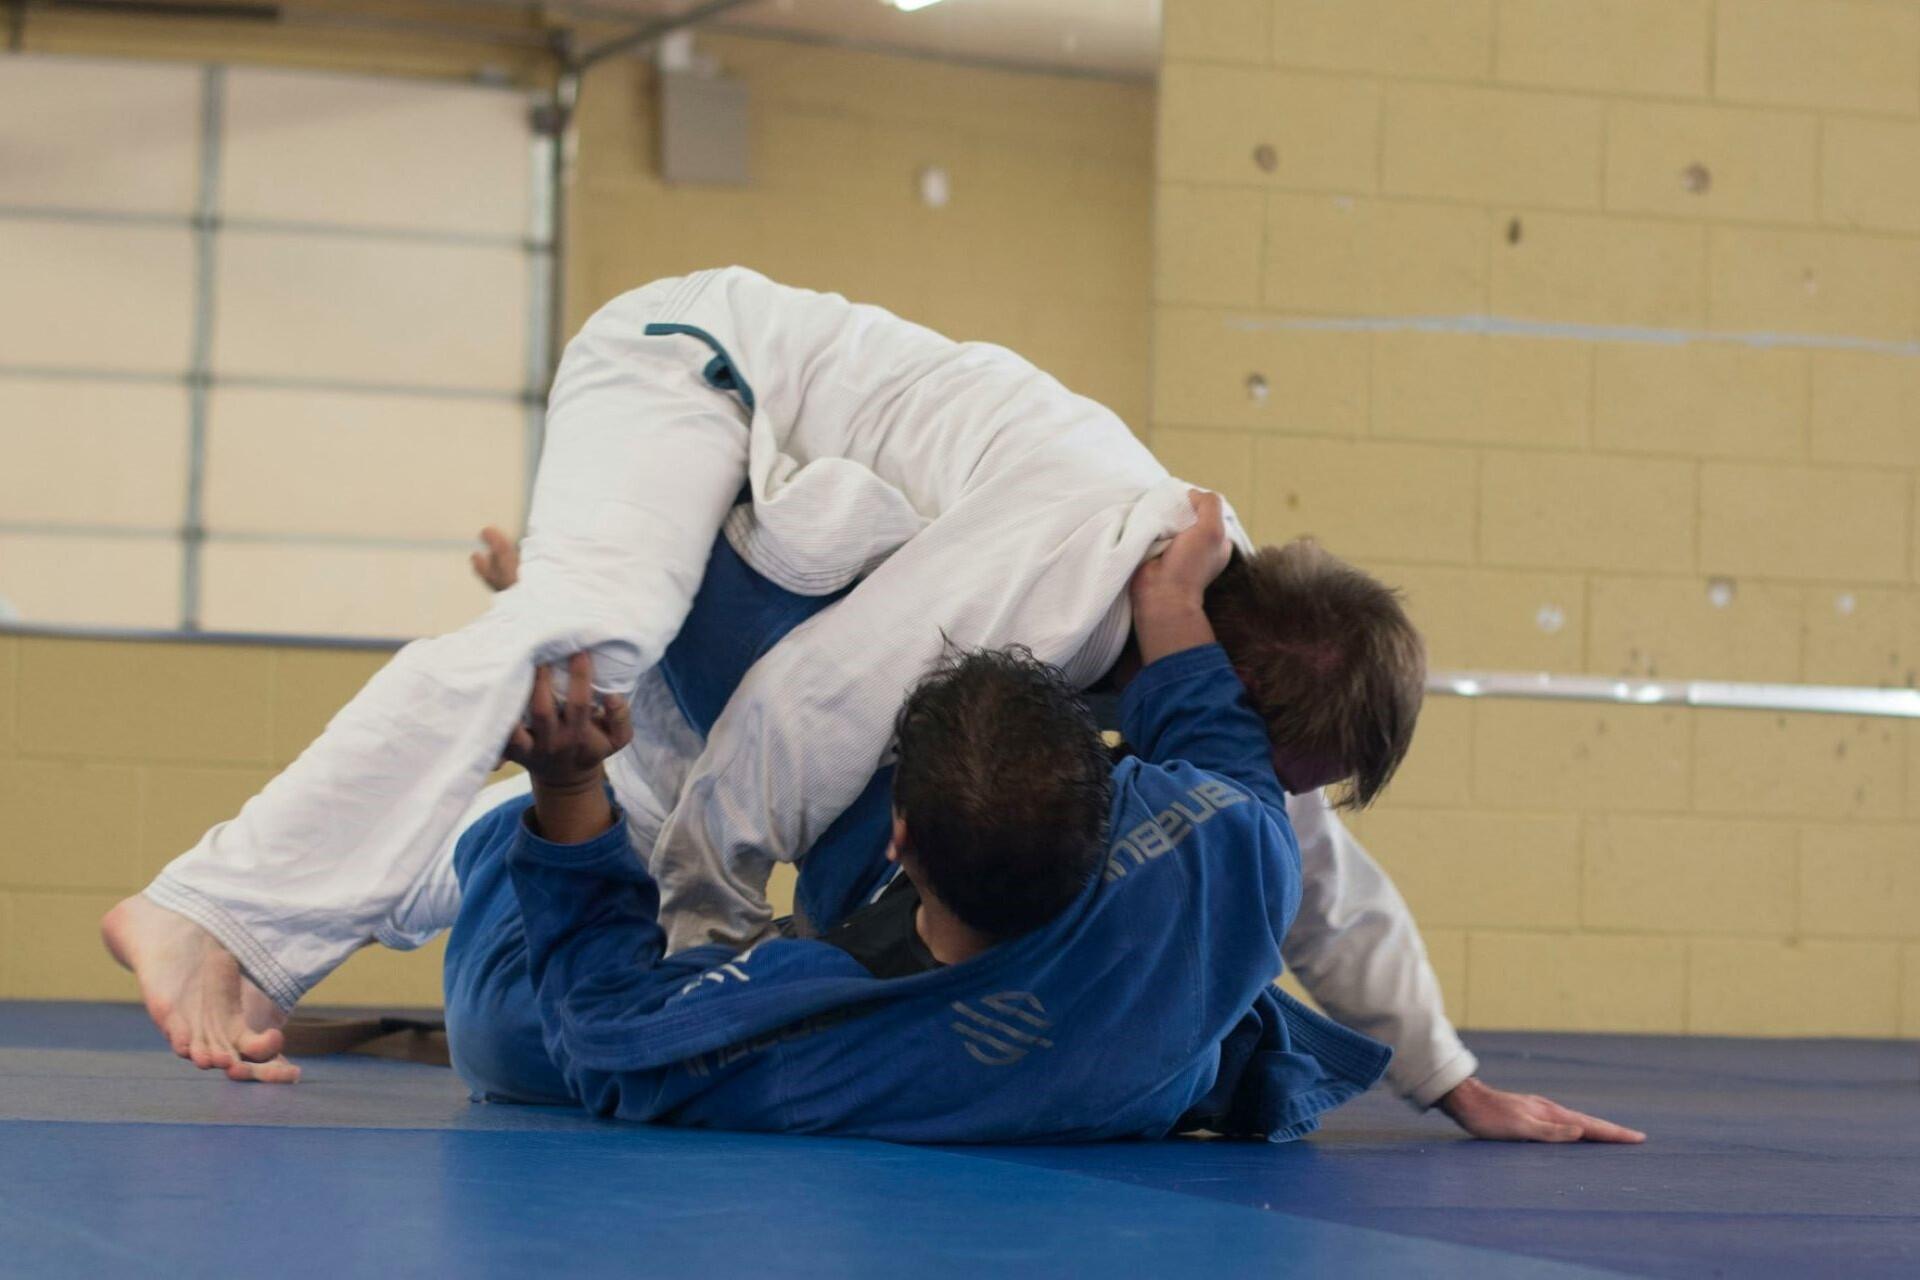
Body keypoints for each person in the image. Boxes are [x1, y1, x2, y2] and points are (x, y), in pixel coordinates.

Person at [103, 267, 1641, 1143]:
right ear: (1229, 679)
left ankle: (447, 842)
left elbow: (1311, 867)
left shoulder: (1209, 672)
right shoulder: (1063, 569)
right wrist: (705, 955)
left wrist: (1450, 1078)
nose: (1268, 783)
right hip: (690, 373)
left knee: (610, 763)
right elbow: (797, 712)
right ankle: (215, 908)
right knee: (597, 632)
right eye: (1278, 754)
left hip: (786, 533)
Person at [440, 501, 1388, 1141]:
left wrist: (566, 790)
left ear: (899, 838)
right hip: (1108, 1028)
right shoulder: (1230, 847)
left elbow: (602, 1033)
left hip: (874, 976)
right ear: (1111, 794)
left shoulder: (834, 1040)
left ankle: (516, 824)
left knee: (509, 1039)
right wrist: (1177, 602)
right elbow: (1214, 728)